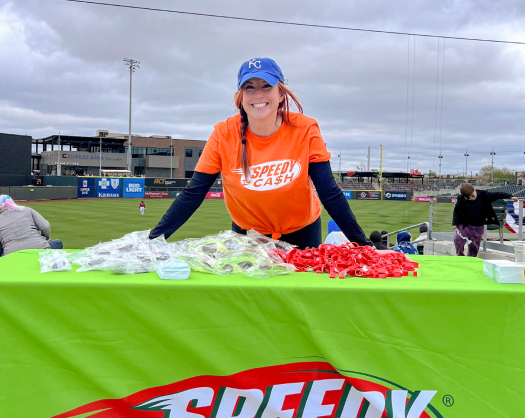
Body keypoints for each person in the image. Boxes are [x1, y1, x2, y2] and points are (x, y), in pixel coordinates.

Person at [150, 57, 371, 250]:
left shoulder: (305, 129)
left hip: (303, 232)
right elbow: (193, 193)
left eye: (266, 86)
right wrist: (152, 241)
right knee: (248, 297)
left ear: (281, 93)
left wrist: (365, 246)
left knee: (299, 297)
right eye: (249, 87)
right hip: (248, 235)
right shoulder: (223, 133)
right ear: (240, 96)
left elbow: (329, 193)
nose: (258, 94)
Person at [452, 183, 518, 257]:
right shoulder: (461, 198)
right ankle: (460, 256)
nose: (471, 198)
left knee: (474, 246)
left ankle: (471, 259)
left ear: (474, 190)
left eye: (473, 196)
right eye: (468, 198)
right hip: (464, 225)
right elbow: (456, 211)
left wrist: (510, 196)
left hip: (478, 226)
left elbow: (497, 194)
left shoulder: (484, 195)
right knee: (458, 239)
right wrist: (454, 223)